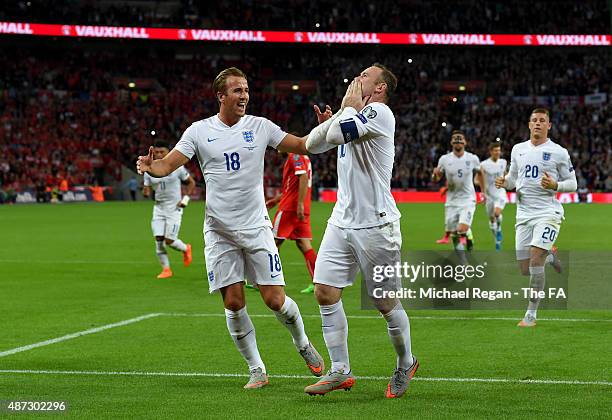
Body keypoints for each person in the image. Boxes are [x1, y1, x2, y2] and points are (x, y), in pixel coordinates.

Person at [136, 67, 325, 389]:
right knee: (234, 303)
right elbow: (166, 165)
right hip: (219, 230)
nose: (244, 96)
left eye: (246, 90)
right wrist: (150, 167)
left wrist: (325, 130)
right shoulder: (198, 131)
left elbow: (304, 145)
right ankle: (256, 369)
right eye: (237, 90)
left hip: (255, 227)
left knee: (275, 300)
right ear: (221, 95)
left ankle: (304, 343)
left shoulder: (261, 127)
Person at [302, 64, 418, 399]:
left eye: (365, 76)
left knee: (384, 301)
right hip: (342, 219)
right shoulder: (354, 113)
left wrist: (344, 112)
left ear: (380, 87)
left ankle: (405, 362)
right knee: (325, 291)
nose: (357, 78)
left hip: (377, 223)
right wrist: (338, 115)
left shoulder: (380, 112)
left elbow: (335, 135)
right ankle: (340, 370)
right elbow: (315, 143)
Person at [495, 108, 576, 327]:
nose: (538, 123)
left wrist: (556, 185)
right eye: (534, 120)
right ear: (529, 124)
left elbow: (573, 183)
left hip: (548, 213)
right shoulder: (518, 149)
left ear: (549, 125)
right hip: (523, 215)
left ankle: (531, 315)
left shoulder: (559, 152)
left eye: (542, 120)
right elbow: (514, 179)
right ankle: (550, 256)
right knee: (524, 269)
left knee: (534, 258)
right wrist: (505, 183)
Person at [143, 141, 196, 279]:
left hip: (174, 208)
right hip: (158, 208)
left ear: (169, 152)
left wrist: (185, 200)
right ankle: (166, 270)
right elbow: (146, 190)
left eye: (162, 152)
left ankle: (186, 248)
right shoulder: (149, 169)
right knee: (158, 240)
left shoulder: (177, 167)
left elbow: (191, 183)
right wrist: (145, 191)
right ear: (153, 153)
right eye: (157, 152)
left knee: (169, 240)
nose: (159, 154)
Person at [266, 152, 317, 294]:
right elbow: (293, 187)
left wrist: (299, 204)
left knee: (272, 242)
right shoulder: (304, 157)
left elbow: (303, 177)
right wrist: (276, 200)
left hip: (290, 208)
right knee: (304, 245)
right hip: (300, 207)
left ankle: (267, 280)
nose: (276, 149)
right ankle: (318, 281)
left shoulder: (294, 156)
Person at [432, 131, 482, 257]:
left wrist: (483, 192)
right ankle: (463, 262)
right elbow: (436, 179)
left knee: (461, 229)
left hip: (468, 200)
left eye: (460, 139)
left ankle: (467, 234)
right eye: (455, 139)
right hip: (451, 201)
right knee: (454, 234)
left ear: (465, 142)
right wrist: (434, 175)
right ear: (451, 142)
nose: (458, 141)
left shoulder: (472, 158)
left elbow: (481, 174)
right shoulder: (444, 159)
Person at [480, 141, 508, 250]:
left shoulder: (503, 162)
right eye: (495, 150)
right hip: (489, 196)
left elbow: (505, 175)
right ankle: (496, 239)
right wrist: (481, 188)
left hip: (500, 193)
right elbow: (478, 179)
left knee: (497, 213)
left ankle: (499, 228)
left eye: (499, 150)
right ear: (491, 152)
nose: (498, 152)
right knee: (491, 219)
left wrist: (507, 181)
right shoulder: (483, 165)